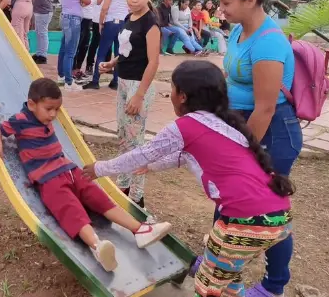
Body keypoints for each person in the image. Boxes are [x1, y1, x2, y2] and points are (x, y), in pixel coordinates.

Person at [83, 60, 294, 297]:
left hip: (245, 222)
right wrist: (151, 167)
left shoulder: (185, 126)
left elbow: (143, 152)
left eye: (172, 88)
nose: (170, 94)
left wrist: (100, 168)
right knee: (227, 274)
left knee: (207, 285)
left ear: (182, 96)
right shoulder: (224, 124)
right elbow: (185, 157)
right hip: (279, 216)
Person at [0, 78, 172, 272]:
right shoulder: (21, 120)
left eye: (57, 109)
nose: (54, 114)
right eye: (49, 109)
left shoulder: (44, 114)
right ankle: (98, 247)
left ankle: (139, 229)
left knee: (99, 198)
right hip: (48, 180)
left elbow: (50, 113)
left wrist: (50, 112)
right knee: (72, 211)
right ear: (31, 104)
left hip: (70, 170)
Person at [215, 0, 298, 297]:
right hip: (242, 127)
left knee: (269, 214)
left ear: (251, 0)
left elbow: (264, 108)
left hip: (271, 133)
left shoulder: (268, 42)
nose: (220, 9)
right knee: (228, 202)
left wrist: (244, 150)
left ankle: (273, 285)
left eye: (225, 2)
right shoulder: (239, 30)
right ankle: (219, 267)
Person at [93, 0, 160, 207]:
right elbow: (126, 49)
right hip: (123, 82)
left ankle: (137, 197)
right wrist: (112, 63)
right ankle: (123, 184)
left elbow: (153, 61)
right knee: (123, 136)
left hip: (138, 86)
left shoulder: (150, 23)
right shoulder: (129, 17)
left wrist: (139, 95)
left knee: (136, 142)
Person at [83, 0, 131, 90]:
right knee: (119, 53)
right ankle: (115, 81)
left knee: (102, 52)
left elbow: (105, 7)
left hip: (111, 23)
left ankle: (95, 80)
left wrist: (100, 22)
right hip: (124, 23)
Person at [57, 0, 92, 91]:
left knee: (64, 49)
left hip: (66, 17)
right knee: (70, 51)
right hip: (73, 20)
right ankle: (69, 82)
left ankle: (61, 75)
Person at [86, 0, 117, 74]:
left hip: (111, 18)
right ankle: (89, 65)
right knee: (95, 42)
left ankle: (107, 65)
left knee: (108, 42)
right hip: (97, 18)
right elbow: (94, 1)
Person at [32, 0, 59, 65]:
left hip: (44, 10)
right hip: (42, 9)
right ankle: (39, 53)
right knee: (39, 32)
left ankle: (42, 55)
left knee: (42, 32)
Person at [72, 0, 94, 81]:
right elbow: (82, 4)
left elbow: (96, 1)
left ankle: (79, 68)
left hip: (89, 21)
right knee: (77, 45)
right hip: (81, 19)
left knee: (85, 45)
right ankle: (73, 69)